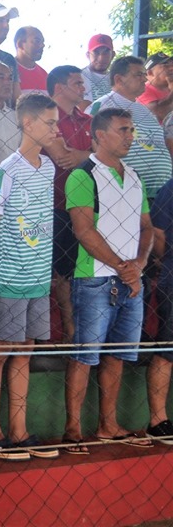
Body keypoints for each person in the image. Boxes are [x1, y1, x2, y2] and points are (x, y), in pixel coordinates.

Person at [63, 108, 154, 454]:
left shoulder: (134, 176)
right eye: (123, 130)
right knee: (84, 355)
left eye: (131, 129)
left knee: (118, 355)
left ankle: (108, 424)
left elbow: (147, 227)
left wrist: (139, 265)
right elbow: (83, 230)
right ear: (100, 135)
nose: (130, 136)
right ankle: (73, 429)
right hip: (94, 278)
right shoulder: (83, 175)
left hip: (130, 279)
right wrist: (123, 266)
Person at [0, 93, 60, 460]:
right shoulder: (6, 170)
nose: (56, 129)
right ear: (28, 123)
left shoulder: (49, 167)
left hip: (38, 277)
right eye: (50, 122)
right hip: (9, 276)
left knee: (24, 351)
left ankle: (19, 430)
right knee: (0, 354)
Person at [44, 65, 93, 343]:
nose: (83, 88)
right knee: (59, 271)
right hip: (54, 204)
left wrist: (83, 155)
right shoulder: (46, 116)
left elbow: (105, 152)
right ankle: (68, 331)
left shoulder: (87, 119)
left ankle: (76, 332)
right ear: (59, 87)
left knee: (76, 269)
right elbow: (63, 157)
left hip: (86, 204)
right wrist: (91, 154)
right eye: (77, 83)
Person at [89, 56, 172, 200]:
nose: (144, 79)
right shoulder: (102, 105)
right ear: (119, 79)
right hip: (127, 192)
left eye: (144, 74)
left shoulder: (144, 110)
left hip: (162, 194)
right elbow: (93, 144)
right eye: (138, 75)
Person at [147, 175, 173, 445]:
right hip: (172, 277)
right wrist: (166, 260)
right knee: (167, 349)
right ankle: (157, 420)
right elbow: (158, 232)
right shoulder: (170, 188)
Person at [82, 34, 115, 108]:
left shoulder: (116, 79)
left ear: (113, 55)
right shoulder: (80, 77)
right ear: (88, 55)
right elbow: (82, 109)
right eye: (96, 53)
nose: (101, 58)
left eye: (106, 53)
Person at [138, 52, 173, 123]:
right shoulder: (143, 89)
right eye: (165, 65)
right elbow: (160, 115)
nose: (172, 68)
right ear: (150, 73)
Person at [14, 26, 47, 94]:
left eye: (42, 42)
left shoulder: (44, 75)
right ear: (20, 44)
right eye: (37, 41)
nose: (42, 45)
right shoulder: (8, 71)